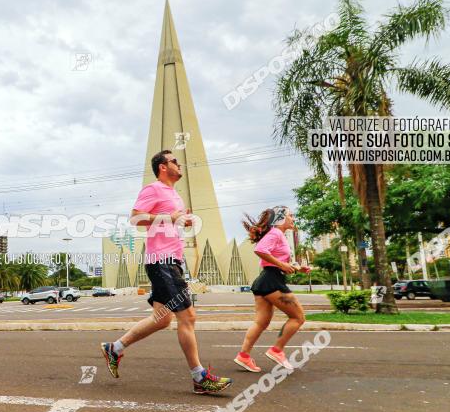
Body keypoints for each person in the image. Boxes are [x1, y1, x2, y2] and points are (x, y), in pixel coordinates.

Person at [99, 150, 232, 395]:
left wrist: (181, 220)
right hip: (162, 261)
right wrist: (169, 217)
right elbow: (135, 218)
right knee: (188, 316)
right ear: (162, 167)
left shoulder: (174, 195)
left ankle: (114, 348)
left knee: (163, 319)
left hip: (170, 261)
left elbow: (170, 221)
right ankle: (199, 377)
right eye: (174, 161)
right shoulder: (154, 189)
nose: (179, 164)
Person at [233, 206, 310, 373]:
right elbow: (260, 250)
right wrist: (282, 264)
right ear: (281, 218)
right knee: (298, 317)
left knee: (261, 322)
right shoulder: (276, 233)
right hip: (272, 281)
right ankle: (277, 350)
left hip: (265, 281)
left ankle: (243, 356)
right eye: (290, 215)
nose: (293, 218)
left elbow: (274, 260)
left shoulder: (277, 235)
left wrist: (297, 268)